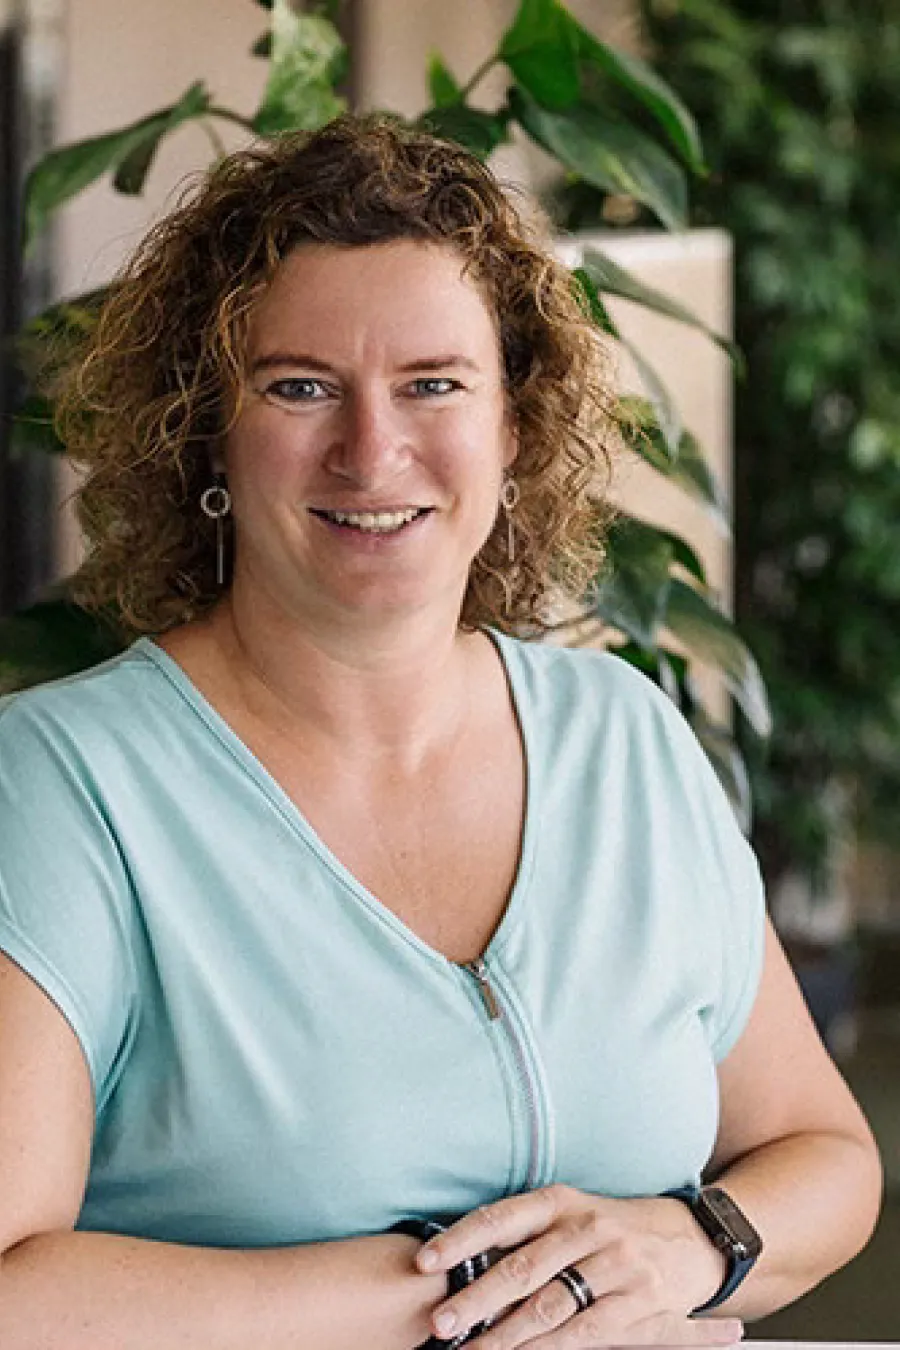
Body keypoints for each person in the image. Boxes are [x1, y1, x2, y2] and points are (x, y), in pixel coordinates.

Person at [0, 114, 881, 1350]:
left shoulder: (623, 736)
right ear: (208, 429)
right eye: (301, 386)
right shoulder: (62, 784)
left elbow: (826, 1156)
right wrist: (478, 1293)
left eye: (434, 385)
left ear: (513, 431)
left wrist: (688, 1244)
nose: (373, 449)